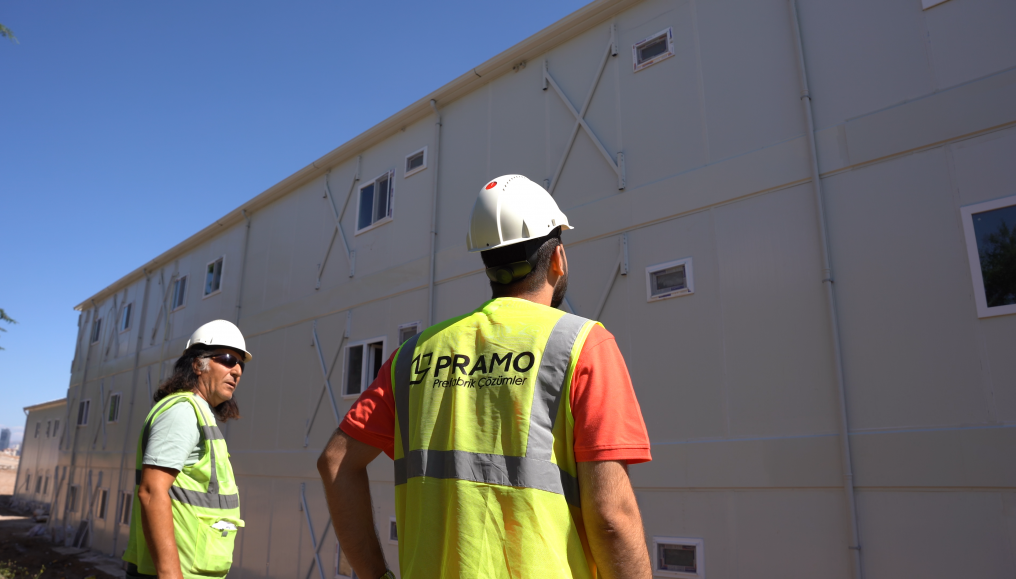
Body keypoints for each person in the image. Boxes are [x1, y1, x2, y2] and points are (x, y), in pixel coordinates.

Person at [318, 175, 653, 579]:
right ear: (558, 259)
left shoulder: (413, 356)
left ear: (488, 265)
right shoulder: (583, 346)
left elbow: (335, 462)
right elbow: (612, 518)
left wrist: (377, 576)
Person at [123, 320, 251, 579]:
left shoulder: (199, 413)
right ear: (197, 364)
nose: (237, 370)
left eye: (240, 364)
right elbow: (152, 491)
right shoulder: (182, 411)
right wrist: (170, 574)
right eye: (227, 359)